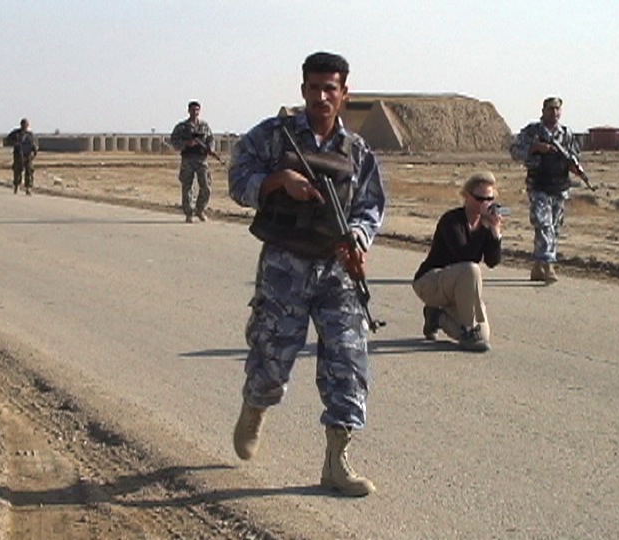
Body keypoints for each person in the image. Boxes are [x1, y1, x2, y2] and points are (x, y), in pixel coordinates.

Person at [228, 51, 385, 497]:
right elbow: (238, 181)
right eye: (314, 88)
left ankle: (336, 462)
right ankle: (255, 408)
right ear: (303, 91)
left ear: (344, 94)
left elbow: (372, 205)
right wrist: (279, 181)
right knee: (272, 360)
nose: (321, 96)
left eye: (330, 88)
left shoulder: (356, 151)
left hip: (337, 270)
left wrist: (358, 236)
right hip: (284, 268)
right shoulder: (274, 138)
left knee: (348, 364)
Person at [412, 172, 503, 352]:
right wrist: (484, 227)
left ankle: (437, 317)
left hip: (459, 289)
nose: (485, 203)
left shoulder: (485, 225)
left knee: (483, 336)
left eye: (490, 199)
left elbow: (493, 261)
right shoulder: (452, 221)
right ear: (467, 196)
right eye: (480, 198)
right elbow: (464, 255)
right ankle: (467, 330)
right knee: (471, 269)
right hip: (432, 282)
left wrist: (495, 232)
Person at [510, 97, 582, 283]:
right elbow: (515, 151)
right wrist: (534, 148)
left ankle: (538, 266)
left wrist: (575, 167)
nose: (554, 113)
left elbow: (574, 156)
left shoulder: (566, 134)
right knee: (543, 224)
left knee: (554, 228)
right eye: (551, 109)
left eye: (557, 109)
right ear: (543, 111)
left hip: (559, 186)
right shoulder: (533, 131)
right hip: (538, 185)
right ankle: (548, 265)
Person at [170, 101, 214, 223]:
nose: (195, 112)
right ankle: (189, 213)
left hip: (201, 159)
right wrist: (185, 144)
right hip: (188, 159)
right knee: (187, 187)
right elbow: (173, 140)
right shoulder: (182, 127)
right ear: (188, 111)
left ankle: (200, 210)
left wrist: (210, 148)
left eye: (197, 110)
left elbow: (210, 139)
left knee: (206, 186)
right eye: (193, 110)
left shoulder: (204, 126)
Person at [5, 118, 38, 195]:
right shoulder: (16, 133)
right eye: (24, 124)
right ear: (21, 125)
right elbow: (7, 140)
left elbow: (34, 144)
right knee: (17, 171)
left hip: (28, 156)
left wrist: (35, 152)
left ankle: (28, 188)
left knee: (29, 171)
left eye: (26, 124)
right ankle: (16, 185)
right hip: (18, 156)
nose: (25, 126)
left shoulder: (30, 135)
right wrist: (14, 143)